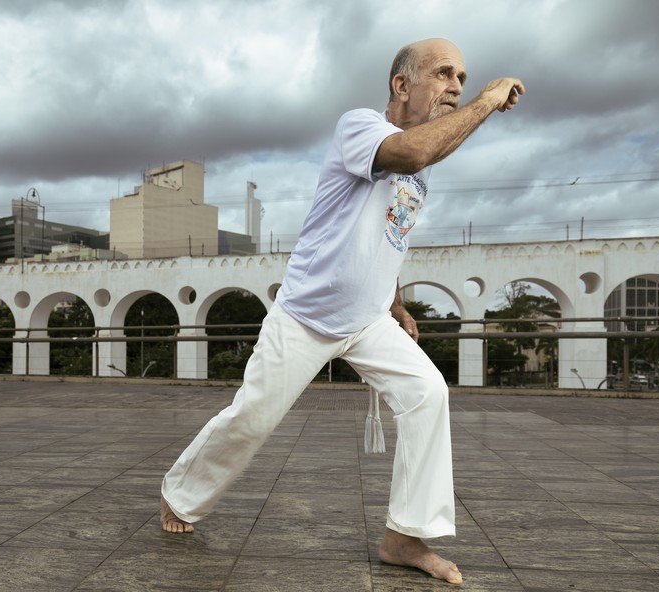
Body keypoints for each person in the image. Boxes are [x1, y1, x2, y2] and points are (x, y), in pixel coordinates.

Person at [160, 38, 524, 585]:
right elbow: (415, 151)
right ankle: (180, 495)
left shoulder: (421, 169)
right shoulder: (361, 127)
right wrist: (488, 103)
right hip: (304, 315)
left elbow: (387, 233)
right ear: (402, 85)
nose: (456, 86)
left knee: (428, 394)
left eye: (464, 79)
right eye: (444, 74)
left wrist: (395, 302)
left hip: (368, 319)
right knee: (253, 417)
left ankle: (405, 536)